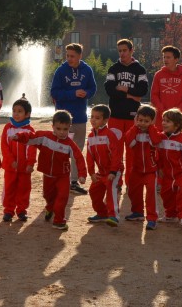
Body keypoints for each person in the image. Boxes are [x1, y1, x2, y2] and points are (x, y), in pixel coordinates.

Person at [10, 110, 88, 231]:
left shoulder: (70, 144)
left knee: (62, 197)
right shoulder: (45, 137)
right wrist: (19, 137)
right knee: (48, 196)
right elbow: (32, 137)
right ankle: (49, 208)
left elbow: (79, 158)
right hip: (48, 175)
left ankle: (59, 221)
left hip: (63, 176)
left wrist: (82, 174)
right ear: (52, 127)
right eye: (58, 128)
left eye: (65, 129)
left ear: (69, 128)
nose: (62, 132)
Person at [50, 42, 97, 195]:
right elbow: (54, 93)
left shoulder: (87, 69)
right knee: (62, 149)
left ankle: (73, 181)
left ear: (79, 56)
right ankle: (58, 180)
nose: (69, 58)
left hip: (80, 117)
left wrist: (87, 93)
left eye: (72, 56)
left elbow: (93, 88)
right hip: (64, 120)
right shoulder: (61, 70)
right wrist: (73, 93)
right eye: (67, 55)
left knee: (77, 150)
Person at [154, 108, 182, 226]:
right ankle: (170, 215)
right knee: (165, 194)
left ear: (177, 125)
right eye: (163, 120)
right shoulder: (161, 138)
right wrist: (160, 168)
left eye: (167, 121)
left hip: (181, 173)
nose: (163, 123)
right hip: (166, 174)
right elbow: (158, 155)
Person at [84, 104, 124, 227]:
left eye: (97, 118)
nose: (93, 120)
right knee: (93, 191)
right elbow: (89, 157)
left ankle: (113, 216)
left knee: (111, 190)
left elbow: (117, 154)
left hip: (114, 171)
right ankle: (102, 213)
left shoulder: (109, 134)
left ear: (105, 120)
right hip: (100, 172)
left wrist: (113, 171)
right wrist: (91, 173)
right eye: (92, 117)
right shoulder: (91, 136)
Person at [122, 104, 160, 230]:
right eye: (140, 120)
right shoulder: (134, 131)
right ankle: (137, 212)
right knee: (133, 191)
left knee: (151, 194)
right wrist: (134, 127)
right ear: (136, 119)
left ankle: (152, 218)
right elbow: (128, 141)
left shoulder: (154, 132)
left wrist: (151, 128)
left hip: (151, 170)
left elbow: (155, 141)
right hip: (136, 169)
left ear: (152, 121)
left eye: (146, 121)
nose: (143, 123)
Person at [0, 97, 37, 222]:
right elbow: (4, 146)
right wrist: (11, 160)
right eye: (14, 110)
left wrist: (30, 163)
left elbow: (32, 148)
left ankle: (21, 210)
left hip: (24, 167)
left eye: (20, 111)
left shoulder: (30, 130)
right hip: (10, 167)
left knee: (24, 188)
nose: (16, 114)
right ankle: (8, 210)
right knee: (9, 188)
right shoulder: (7, 128)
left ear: (27, 114)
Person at [104, 38, 149, 139]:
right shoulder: (113, 69)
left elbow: (143, 90)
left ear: (131, 50)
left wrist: (126, 89)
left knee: (132, 150)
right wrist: (129, 95)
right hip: (115, 115)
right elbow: (109, 90)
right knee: (115, 150)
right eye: (120, 51)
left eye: (124, 50)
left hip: (133, 116)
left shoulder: (140, 70)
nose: (122, 53)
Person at [150, 45, 182, 123]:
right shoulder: (158, 75)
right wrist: (163, 111)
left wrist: (175, 112)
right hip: (162, 119)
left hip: (178, 119)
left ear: (176, 59)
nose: (165, 60)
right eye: (164, 57)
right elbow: (154, 96)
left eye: (168, 57)